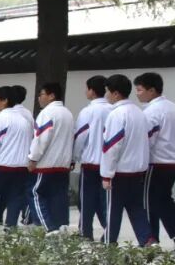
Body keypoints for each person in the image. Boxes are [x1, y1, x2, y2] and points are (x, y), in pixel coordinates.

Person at [100, 74, 154, 246]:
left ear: (116, 94)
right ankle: (148, 240)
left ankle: (109, 244)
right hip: (137, 170)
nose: (106, 95)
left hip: (120, 171)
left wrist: (106, 174)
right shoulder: (139, 113)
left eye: (108, 91)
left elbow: (111, 146)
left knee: (113, 210)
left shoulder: (116, 114)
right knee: (136, 208)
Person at [0, 85, 33, 227]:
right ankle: (10, 226)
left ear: (5, 100)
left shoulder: (0, 119)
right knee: (15, 197)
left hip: (3, 165)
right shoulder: (24, 120)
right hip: (21, 166)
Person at [27, 82, 74, 232]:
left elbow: (41, 138)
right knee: (59, 197)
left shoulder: (47, 113)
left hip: (46, 164)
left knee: (35, 193)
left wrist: (33, 158)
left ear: (51, 95)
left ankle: (48, 227)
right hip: (63, 164)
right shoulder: (67, 113)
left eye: (41, 94)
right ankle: (62, 226)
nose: (39, 98)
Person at [135, 72, 175, 243]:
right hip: (171, 163)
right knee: (164, 201)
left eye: (139, 90)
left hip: (156, 163)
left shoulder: (151, 112)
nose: (137, 94)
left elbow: (147, 140)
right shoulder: (172, 107)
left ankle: (151, 240)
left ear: (151, 90)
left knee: (148, 203)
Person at [73, 76, 115, 241]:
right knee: (105, 201)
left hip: (90, 162)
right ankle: (108, 230)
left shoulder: (88, 111)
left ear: (91, 90)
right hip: (108, 163)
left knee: (86, 200)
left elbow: (81, 135)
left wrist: (75, 156)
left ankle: (85, 232)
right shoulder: (113, 109)